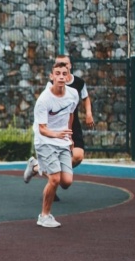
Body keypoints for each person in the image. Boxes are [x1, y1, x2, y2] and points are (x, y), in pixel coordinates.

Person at [24, 53, 95, 188]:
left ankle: (39, 168)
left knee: (77, 156)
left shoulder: (78, 83)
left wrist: (88, 113)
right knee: (57, 178)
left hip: (71, 122)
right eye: (58, 65)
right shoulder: (51, 87)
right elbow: (44, 108)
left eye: (65, 65)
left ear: (70, 66)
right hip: (53, 127)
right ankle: (51, 176)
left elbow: (85, 98)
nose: (62, 68)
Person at [26, 60, 79, 228]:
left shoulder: (73, 94)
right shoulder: (44, 100)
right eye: (58, 74)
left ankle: (35, 167)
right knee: (55, 179)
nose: (61, 77)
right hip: (45, 141)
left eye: (64, 74)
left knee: (66, 182)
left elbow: (70, 114)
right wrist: (57, 134)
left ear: (68, 77)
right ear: (51, 77)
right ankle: (44, 216)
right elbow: (42, 129)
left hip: (62, 140)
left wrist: (69, 137)